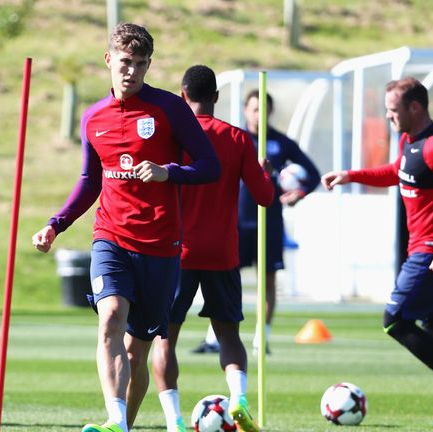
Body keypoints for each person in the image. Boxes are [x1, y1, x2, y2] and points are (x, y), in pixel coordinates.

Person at [32, 23, 220, 432]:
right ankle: (114, 419)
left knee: (137, 351)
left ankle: (124, 425)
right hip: (111, 237)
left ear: (148, 64)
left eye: (139, 64)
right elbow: (89, 181)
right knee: (110, 316)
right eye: (123, 62)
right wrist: (55, 225)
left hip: (160, 244)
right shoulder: (93, 117)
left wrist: (167, 173)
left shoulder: (170, 108)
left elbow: (209, 166)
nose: (130, 71)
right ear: (108, 61)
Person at [321, 77, 433, 431]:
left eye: (392, 110)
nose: (389, 117)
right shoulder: (410, 141)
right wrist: (350, 175)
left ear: (415, 108)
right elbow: (398, 172)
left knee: (395, 319)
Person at [150, 65, 273, 432]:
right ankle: (239, 400)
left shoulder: (172, 139)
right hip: (222, 253)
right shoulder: (237, 138)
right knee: (229, 335)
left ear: (182, 96)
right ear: (216, 98)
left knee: (164, 339)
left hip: (177, 253)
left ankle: (174, 421)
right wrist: (263, 172)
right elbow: (265, 197)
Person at [193, 89, 320, 355]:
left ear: (270, 112)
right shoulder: (233, 138)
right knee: (223, 280)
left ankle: (262, 339)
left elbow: (313, 173)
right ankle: (214, 339)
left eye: (263, 109)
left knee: (268, 281)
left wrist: (299, 192)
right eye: (254, 108)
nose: (258, 114)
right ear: (245, 110)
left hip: (269, 221)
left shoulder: (281, 143)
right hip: (235, 223)